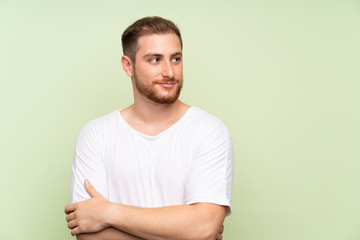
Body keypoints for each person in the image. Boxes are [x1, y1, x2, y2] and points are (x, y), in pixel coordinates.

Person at [65, 16, 234, 240]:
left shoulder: (209, 131)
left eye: (175, 59)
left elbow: (203, 227)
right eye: (155, 59)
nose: (169, 72)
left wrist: (108, 213)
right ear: (128, 65)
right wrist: (184, 230)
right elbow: (89, 235)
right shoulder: (96, 134)